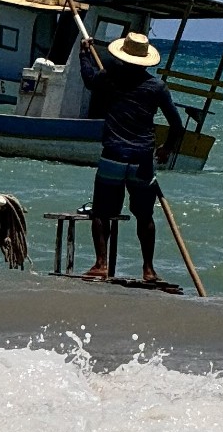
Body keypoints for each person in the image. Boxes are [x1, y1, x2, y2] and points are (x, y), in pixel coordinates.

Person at [79, 29, 184, 283]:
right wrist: (167, 148)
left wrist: (84, 53)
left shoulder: (110, 77)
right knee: (144, 215)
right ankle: (149, 269)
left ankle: (101, 264)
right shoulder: (156, 87)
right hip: (142, 159)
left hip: (113, 155)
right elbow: (177, 125)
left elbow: (89, 80)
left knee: (102, 212)